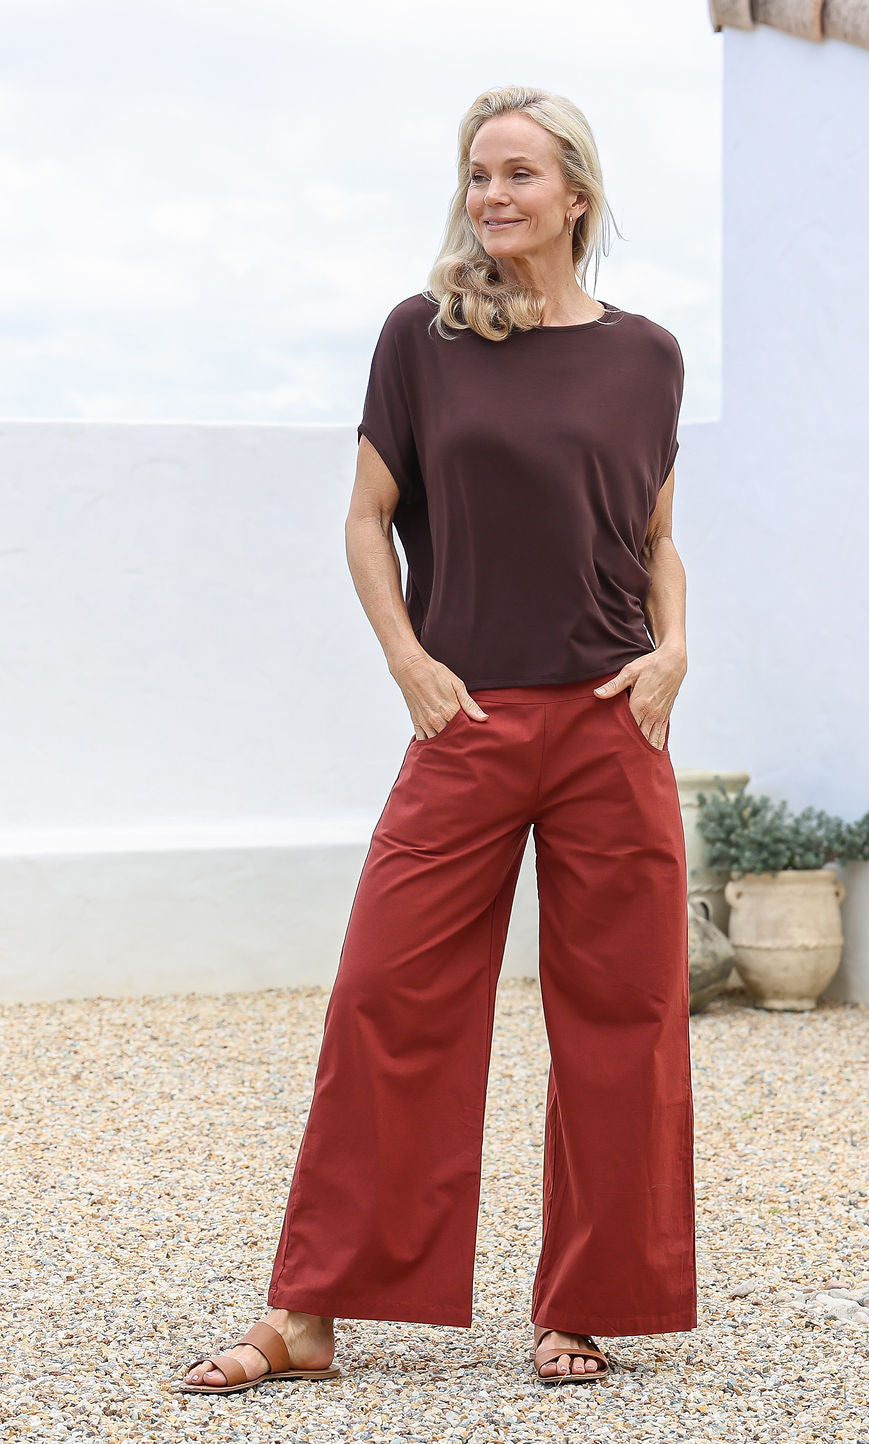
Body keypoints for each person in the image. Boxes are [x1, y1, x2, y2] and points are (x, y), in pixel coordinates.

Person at [171, 82, 694, 1395]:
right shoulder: (423, 337)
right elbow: (366, 518)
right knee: (384, 997)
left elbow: (654, 539)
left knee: (622, 1019)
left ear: (578, 192)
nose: (493, 196)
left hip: (607, 723)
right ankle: (310, 1311)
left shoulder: (648, 357)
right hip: (466, 718)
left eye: (519, 173)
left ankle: (584, 1306)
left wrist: (674, 652)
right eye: (477, 175)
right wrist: (408, 661)